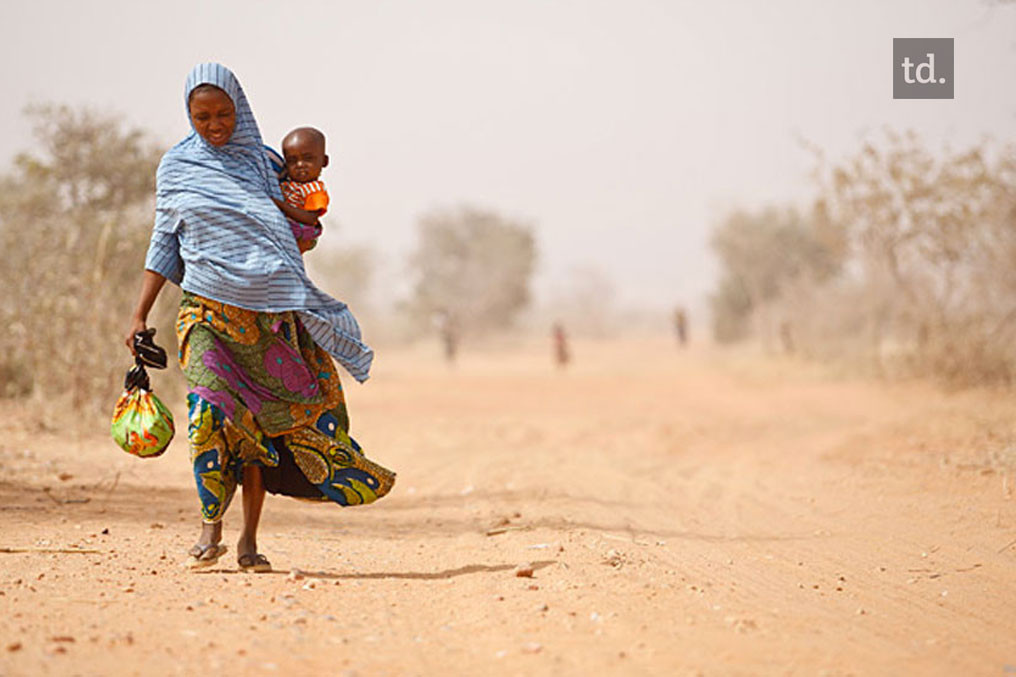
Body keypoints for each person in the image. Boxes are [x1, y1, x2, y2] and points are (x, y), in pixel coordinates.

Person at [124, 63, 395, 573]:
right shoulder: (177, 168)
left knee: (261, 429)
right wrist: (138, 314)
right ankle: (211, 529)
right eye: (202, 116)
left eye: (224, 113)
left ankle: (249, 540)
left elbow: (302, 234)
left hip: (268, 318)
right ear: (188, 115)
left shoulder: (266, 164)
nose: (215, 125)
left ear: (240, 110)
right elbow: (164, 241)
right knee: (207, 414)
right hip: (204, 311)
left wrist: (306, 220)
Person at [271, 127, 330, 253]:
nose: (300, 165)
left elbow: (310, 218)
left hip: (300, 232)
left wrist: (280, 205)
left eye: (308, 158)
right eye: (292, 161)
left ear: (324, 161)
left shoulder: (314, 190)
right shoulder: (288, 183)